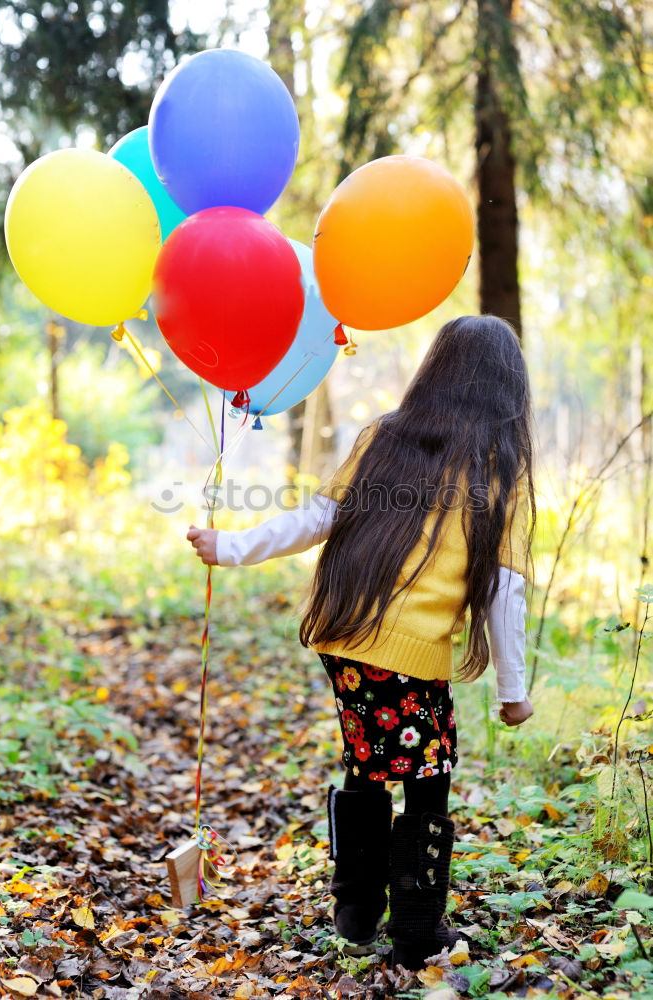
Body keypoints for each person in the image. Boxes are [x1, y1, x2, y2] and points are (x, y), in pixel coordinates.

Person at [187, 314, 536, 972]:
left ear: (434, 370)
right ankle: (414, 931)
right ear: (506, 389)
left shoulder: (386, 436)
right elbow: (504, 592)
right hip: (407, 651)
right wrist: (513, 692)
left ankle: (353, 908)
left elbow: (318, 516)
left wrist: (232, 546)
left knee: (368, 755)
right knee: (425, 778)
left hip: (346, 634)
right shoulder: (499, 466)